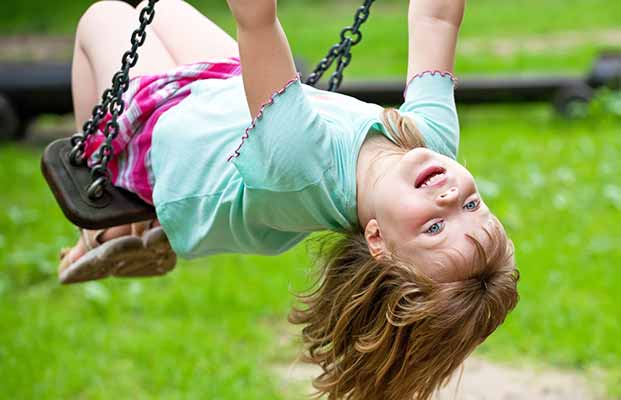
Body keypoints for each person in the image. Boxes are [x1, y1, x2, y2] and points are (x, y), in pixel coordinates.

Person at [60, 0, 520, 398]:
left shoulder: (301, 162)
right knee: (154, 10)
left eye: (434, 228)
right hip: (224, 96)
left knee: (103, 18)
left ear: (378, 241)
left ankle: (103, 220)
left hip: (166, 141)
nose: (450, 195)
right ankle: (131, 233)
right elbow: (436, 21)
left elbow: (257, 20)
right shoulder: (433, 147)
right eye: (473, 207)